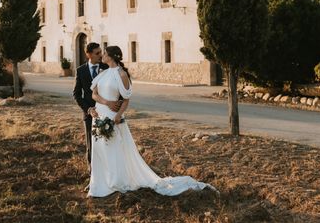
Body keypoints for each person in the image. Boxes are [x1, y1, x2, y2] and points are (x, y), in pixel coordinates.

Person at [88, 45, 216, 198]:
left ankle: (116, 182)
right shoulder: (103, 73)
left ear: (112, 56)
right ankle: (99, 183)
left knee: (113, 150)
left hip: (112, 118)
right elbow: (94, 94)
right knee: (100, 150)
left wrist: (118, 115)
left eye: (105, 53)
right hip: (99, 115)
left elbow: (126, 100)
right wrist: (106, 102)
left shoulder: (121, 75)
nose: (102, 55)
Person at [72, 43, 119, 187]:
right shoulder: (80, 71)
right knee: (91, 146)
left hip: (106, 113)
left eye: (101, 52)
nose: (100, 55)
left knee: (109, 144)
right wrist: (89, 110)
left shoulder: (107, 68)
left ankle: (110, 176)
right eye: (97, 53)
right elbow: (76, 95)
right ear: (89, 54)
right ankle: (93, 179)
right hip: (89, 114)